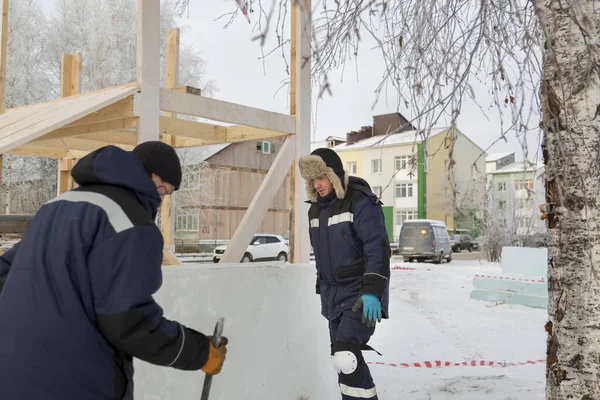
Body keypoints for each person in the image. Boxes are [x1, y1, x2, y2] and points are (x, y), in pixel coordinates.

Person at [0, 142, 227, 400]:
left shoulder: (54, 207)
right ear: (151, 176)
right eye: (164, 190)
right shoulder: (132, 224)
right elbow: (128, 321)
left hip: (11, 374)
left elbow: (4, 273)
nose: (160, 199)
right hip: (74, 382)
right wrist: (197, 352)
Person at [299, 148, 390, 400]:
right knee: (341, 360)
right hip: (333, 297)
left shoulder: (360, 202)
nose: (317, 185)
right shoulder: (314, 211)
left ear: (334, 175)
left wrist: (373, 291)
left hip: (361, 294)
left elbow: (378, 247)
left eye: (321, 177)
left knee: (346, 356)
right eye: (312, 180)